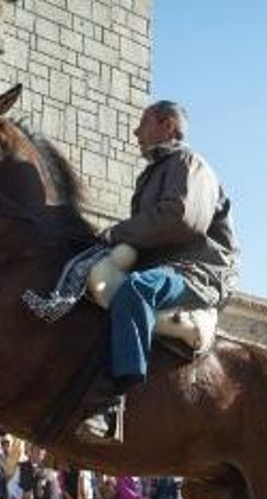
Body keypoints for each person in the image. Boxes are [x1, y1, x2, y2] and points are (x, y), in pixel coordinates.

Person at [77, 100, 237, 444]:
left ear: (167, 126)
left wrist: (116, 233)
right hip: (164, 267)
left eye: (143, 124)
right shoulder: (152, 174)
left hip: (196, 271)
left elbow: (181, 218)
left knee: (136, 289)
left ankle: (114, 402)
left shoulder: (190, 164)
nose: (136, 132)